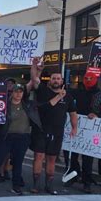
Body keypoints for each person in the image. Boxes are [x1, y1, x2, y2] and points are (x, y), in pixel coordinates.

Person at [0, 84, 42, 195]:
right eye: (16, 91)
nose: (18, 94)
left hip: (23, 138)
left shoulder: (28, 105)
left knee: (18, 163)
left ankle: (16, 186)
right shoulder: (4, 106)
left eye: (20, 92)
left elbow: (46, 105)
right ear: (12, 92)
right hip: (7, 137)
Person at [30, 65, 78, 194]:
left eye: (58, 78)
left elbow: (73, 113)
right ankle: (36, 184)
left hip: (57, 132)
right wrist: (34, 67)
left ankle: (49, 185)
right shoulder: (42, 90)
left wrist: (74, 128)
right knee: (38, 156)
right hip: (41, 129)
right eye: (54, 78)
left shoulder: (68, 97)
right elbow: (34, 79)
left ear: (62, 81)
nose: (56, 80)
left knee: (52, 158)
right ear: (50, 80)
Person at [66, 71, 101, 193]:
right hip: (76, 127)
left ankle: (86, 182)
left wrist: (97, 115)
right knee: (72, 155)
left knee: (87, 158)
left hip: (91, 131)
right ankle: (73, 176)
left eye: (91, 78)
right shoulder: (78, 92)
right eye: (86, 78)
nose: (88, 80)